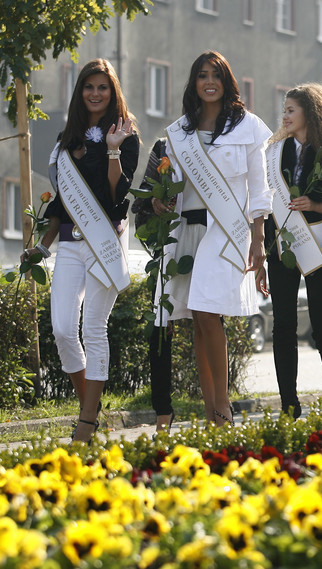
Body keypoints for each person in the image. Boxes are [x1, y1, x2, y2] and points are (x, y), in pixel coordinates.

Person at [152, 51, 271, 426]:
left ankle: (222, 406)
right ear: (194, 82)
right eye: (202, 75)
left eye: (216, 75)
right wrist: (160, 198)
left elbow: (259, 188)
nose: (209, 82)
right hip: (187, 229)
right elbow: (170, 185)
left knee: (207, 311)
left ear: (226, 81)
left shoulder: (248, 127)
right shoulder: (179, 132)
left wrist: (259, 239)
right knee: (197, 317)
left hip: (226, 233)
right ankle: (211, 410)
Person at [24, 59, 139, 443]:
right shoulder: (66, 137)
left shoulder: (126, 134)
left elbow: (115, 195)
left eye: (102, 87)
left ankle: (86, 422)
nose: (95, 93)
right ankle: (89, 407)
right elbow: (60, 204)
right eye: (89, 86)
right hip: (71, 245)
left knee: (93, 328)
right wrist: (42, 246)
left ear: (113, 91)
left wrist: (111, 150)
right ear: (80, 91)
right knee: (61, 329)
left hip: (105, 241)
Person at [262, 83, 322, 417]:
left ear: (310, 113)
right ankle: (289, 403)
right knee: (283, 325)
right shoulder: (274, 153)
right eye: (284, 110)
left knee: (321, 325)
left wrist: (317, 205)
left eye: (290, 110)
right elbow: (265, 203)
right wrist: (263, 250)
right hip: (283, 246)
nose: (284, 116)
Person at [131, 138, 177, 433]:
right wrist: (155, 201)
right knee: (160, 326)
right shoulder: (164, 145)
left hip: (202, 242)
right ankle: (163, 409)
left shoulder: (216, 144)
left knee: (209, 322)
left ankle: (216, 406)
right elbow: (139, 200)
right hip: (166, 245)